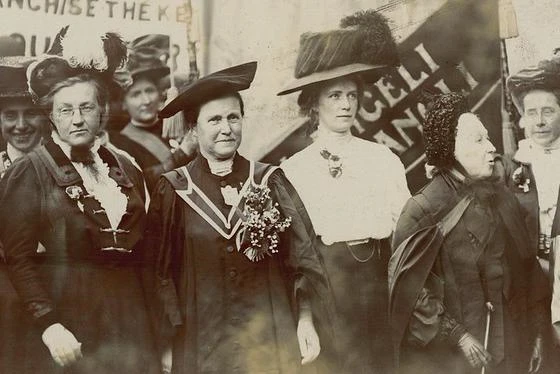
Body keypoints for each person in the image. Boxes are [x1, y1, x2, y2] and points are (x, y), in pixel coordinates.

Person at [147, 61, 333, 374]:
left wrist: (304, 319)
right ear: (194, 128)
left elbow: (301, 258)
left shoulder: (269, 180)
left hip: (267, 336)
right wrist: (166, 340)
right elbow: (159, 271)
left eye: (234, 117)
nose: (226, 128)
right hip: (201, 338)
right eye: (214, 119)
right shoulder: (174, 190)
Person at [0, 30, 160, 373]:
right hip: (71, 323)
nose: (76, 119)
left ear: (100, 111)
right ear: (52, 116)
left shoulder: (125, 167)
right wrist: (49, 324)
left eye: (86, 108)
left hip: (131, 320)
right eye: (66, 109)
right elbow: (20, 259)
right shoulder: (30, 171)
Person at [278, 10, 409, 373]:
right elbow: (297, 261)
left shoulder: (383, 159)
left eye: (351, 94)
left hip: (381, 286)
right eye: (334, 95)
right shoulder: (293, 171)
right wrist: (305, 317)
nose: (346, 104)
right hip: (329, 295)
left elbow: (405, 234)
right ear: (313, 103)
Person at [388, 92, 548, 374]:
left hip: (513, 344)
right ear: (450, 149)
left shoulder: (503, 198)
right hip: (452, 358)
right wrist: (458, 334)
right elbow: (410, 290)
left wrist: (536, 333)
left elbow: (527, 269)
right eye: (478, 140)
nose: (492, 147)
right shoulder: (421, 210)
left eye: (487, 137)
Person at [0, 55, 50, 373]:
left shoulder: (62, 168)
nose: (20, 125)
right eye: (9, 115)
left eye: (30, 113)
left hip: (58, 302)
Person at [507, 58, 560, 354]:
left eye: (548, 111)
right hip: (531, 277)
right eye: (532, 113)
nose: (539, 121)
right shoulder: (513, 166)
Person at [110, 34, 197, 192]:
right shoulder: (119, 143)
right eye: (136, 94)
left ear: (159, 94)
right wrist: (182, 153)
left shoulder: (177, 124)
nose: (146, 100)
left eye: (149, 91)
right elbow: (141, 180)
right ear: (124, 103)